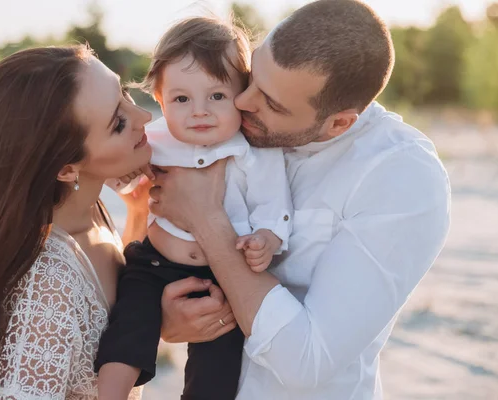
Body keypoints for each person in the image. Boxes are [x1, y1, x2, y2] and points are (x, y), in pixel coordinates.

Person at [148, 1, 452, 399]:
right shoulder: (234, 125)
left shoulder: (401, 176)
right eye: (251, 76)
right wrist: (165, 316)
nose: (242, 102)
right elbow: (155, 216)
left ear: (338, 122)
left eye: (271, 104)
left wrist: (207, 221)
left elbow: (306, 362)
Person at [0, 45, 234, 400]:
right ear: (66, 168)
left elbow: (106, 325)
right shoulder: (47, 289)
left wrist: (137, 213)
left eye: (125, 95)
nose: (143, 117)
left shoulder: (89, 214)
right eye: (118, 122)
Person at [94, 17, 292, 400]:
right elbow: (118, 172)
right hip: (152, 264)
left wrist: (266, 238)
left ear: (243, 94)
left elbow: (274, 206)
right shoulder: (153, 139)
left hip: (222, 272)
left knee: (219, 360)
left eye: (217, 96)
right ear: (160, 98)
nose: (199, 111)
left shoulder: (254, 152)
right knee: (129, 327)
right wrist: (126, 176)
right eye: (181, 99)